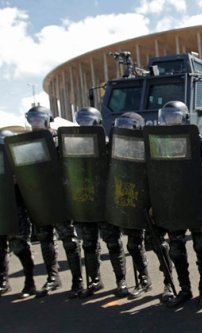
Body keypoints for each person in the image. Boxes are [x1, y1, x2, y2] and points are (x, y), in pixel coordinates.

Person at [111, 112, 176, 302]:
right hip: (130, 200)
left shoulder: (151, 144)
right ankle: (144, 279)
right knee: (133, 244)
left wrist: (155, 204)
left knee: (159, 245)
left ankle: (168, 282)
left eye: (128, 126)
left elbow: (159, 176)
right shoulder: (117, 147)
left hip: (149, 202)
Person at [152, 100, 202, 307]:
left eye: (175, 116)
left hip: (194, 200)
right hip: (172, 202)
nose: (170, 121)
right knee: (176, 249)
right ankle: (185, 289)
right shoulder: (157, 141)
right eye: (167, 117)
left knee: (200, 246)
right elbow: (154, 173)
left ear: (185, 117)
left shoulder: (198, 141)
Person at [25, 105, 84, 299]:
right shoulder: (25, 143)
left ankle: (77, 281)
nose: (35, 123)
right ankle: (53, 278)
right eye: (31, 119)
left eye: (38, 119)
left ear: (47, 119)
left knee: (69, 240)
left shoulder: (59, 140)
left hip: (60, 198)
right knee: (44, 238)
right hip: (39, 198)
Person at [72, 107, 129, 298]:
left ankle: (121, 280)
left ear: (96, 123)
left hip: (105, 202)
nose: (83, 125)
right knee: (88, 244)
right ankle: (95, 280)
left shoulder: (107, 145)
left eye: (87, 121)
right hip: (85, 201)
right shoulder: (71, 146)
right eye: (81, 121)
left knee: (112, 243)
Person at [0, 130, 37, 298]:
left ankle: (30, 282)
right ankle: (3, 281)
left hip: (17, 208)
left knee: (19, 246)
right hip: (2, 207)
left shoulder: (19, 158)